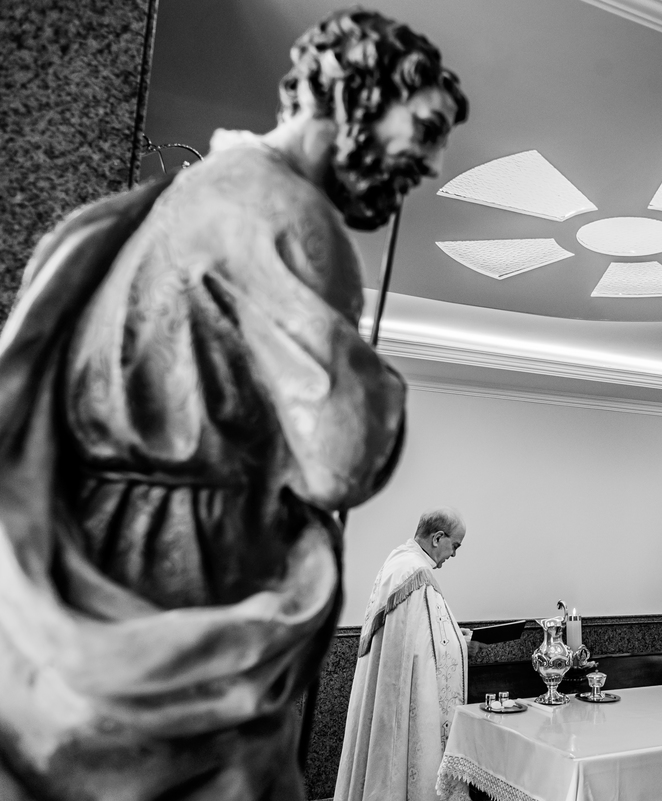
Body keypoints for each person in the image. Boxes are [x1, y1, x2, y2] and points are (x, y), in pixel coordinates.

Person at [0, 9, 465, 799]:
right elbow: (339, 458)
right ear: (357, 90)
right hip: (190, 569)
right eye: (422, 129)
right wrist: (378, 389)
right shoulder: (289, 214)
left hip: (101, 552)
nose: (424, 164)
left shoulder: (182, 199)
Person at [337, 509, 476, 801]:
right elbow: (428, 649)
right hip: (404, 693)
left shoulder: (398, 563)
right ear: (438, 538)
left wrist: (453, 634)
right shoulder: (416, 574)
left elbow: (419, 635)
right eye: (456, 546)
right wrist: (463, 644)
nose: (454, 555)